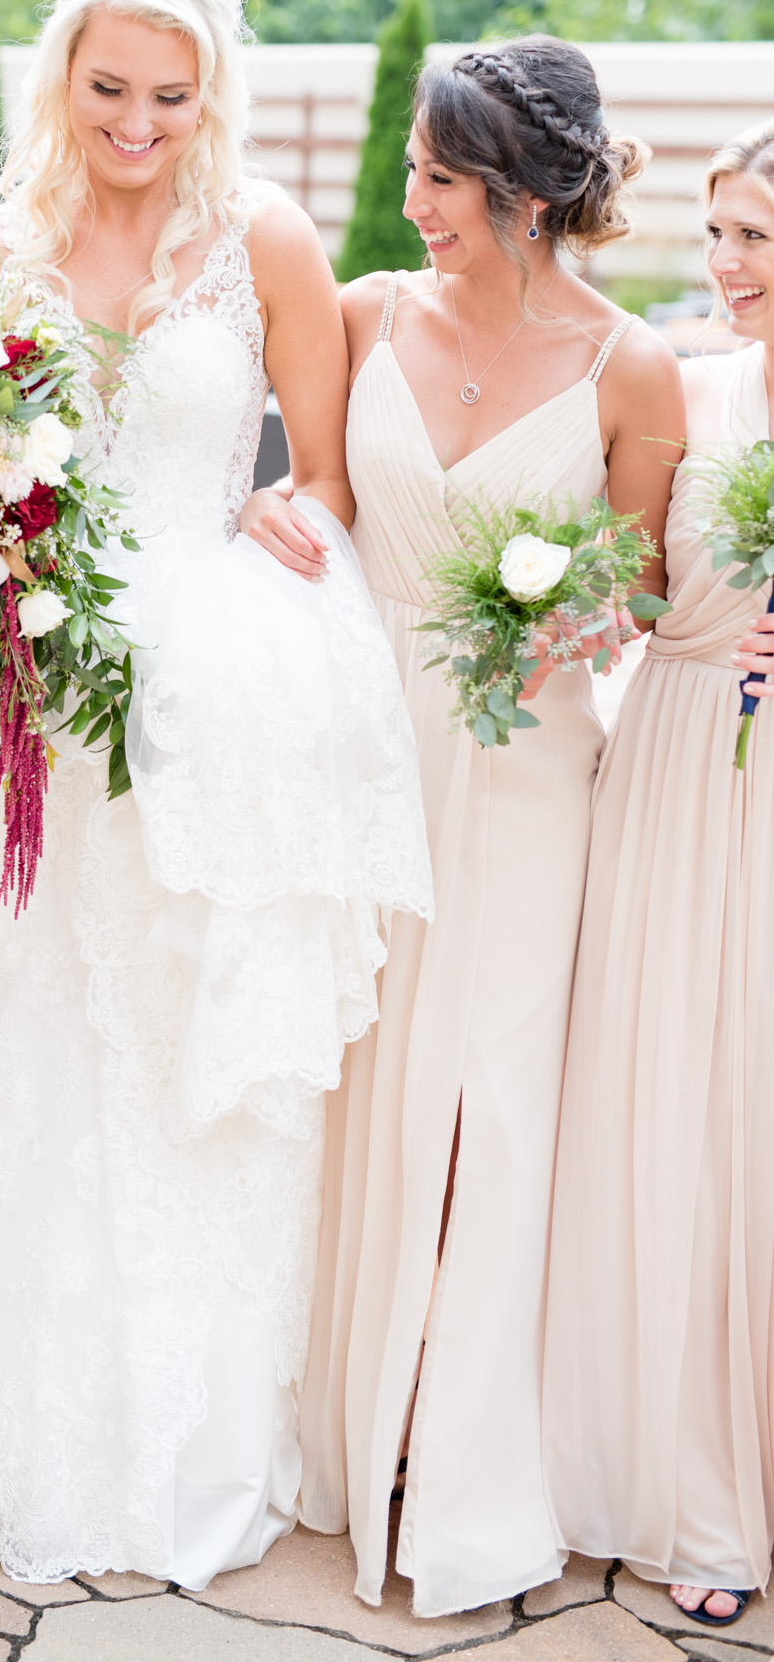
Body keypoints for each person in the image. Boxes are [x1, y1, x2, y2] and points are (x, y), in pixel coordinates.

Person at [0, 0, 433, 1588]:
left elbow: (328, 481)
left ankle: (186, 1422)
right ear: (62, 79)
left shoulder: (267, 240)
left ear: (212, 93)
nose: (139, 121)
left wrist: (274, 507)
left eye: (173, 95)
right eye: (109, 88)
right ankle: (15, 1402)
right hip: (42, 708)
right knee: (39, 1022)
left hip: (209, 702)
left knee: (179, 1044)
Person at [248, 37, 684, 1615]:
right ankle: (350, 1413)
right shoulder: (366, 312)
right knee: (360, 1078)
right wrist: (265, 512)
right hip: (364, 754)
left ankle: (465, 1435)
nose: (410, 201)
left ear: (513, 193)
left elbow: (639, 577)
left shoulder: (631, 365)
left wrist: (583, 611)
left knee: (492, 1105)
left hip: (526, 776)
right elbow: (312, 494)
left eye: (436, 179)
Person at [543, 123, 774, 1628]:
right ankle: (679, 1472)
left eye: (755, 237)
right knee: (664, 1112)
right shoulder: (686, 387)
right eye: (718, 232)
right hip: (679, 766)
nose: (726, 265)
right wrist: (547, 600)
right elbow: (626, 586)